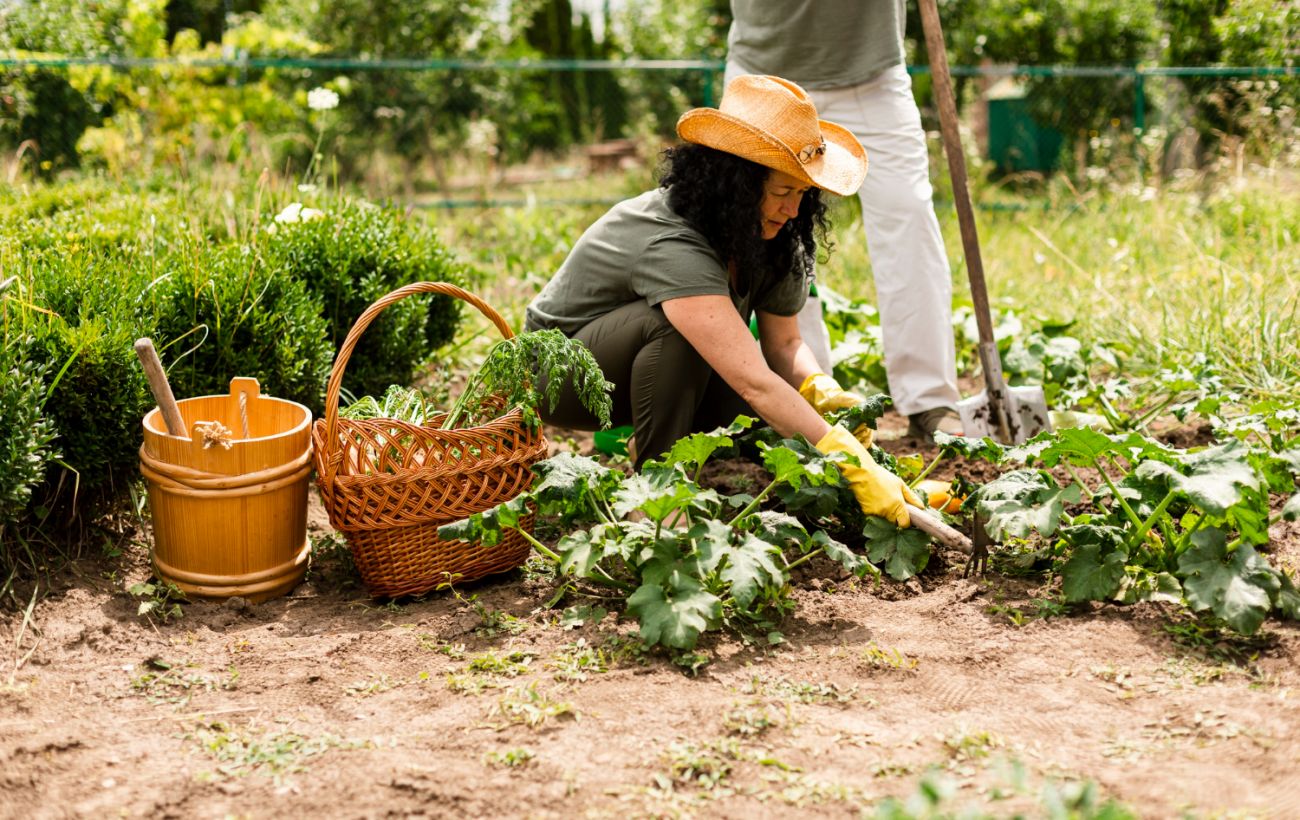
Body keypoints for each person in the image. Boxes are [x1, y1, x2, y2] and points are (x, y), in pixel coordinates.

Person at [525, 74, 921, 527]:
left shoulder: (772, 233)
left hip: (635, 369)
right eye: (781, 192)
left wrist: (818, 389)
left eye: (803, 193)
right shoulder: (673, 241)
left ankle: (655, 439)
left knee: (769, 406)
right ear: (735, 184)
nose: (794, 209)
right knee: (687, 337)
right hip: (560, 379)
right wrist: (847, 461)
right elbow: (754, 379)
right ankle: (658, 498)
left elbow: (785, 347)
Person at [726, 0, 962, 441]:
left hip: (871, 73)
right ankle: (804, 398)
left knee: (908, 212)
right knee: (769, 226)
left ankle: (930, 398)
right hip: (765, 73)